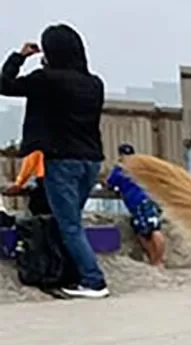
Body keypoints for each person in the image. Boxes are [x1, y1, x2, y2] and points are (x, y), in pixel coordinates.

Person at [1, 24, 109, 298]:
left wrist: (20, 55)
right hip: (91, 161)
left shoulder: (45, 79)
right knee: (70, 221)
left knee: (68, 224)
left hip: (61, 161)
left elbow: (4, 84)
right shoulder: (94, 83)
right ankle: (71, 273)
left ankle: (93, 281)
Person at [107, 143, 167, 267]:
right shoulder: (142, 168)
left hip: (136, 203)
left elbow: (110, 183)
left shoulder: (120, 170)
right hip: (149, 199)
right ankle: (156, 259)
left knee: (148, 231)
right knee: (148, 230)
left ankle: (157, 260)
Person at [7, 149, 51, 216]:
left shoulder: (36, 145)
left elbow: (28, 165)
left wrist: (18, 184)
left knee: (40, 208)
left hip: (44, 180)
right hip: (61, 178)